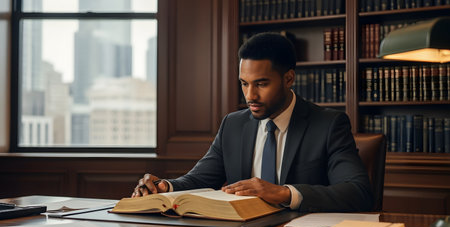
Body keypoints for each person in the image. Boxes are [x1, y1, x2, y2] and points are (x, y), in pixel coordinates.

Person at [132, 32, 373, 212]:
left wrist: (282, 193)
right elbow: (200, 179)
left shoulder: (329, 125)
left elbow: (358, 192)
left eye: (261, 84)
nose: (250, 96)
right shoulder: (233, 125)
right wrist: (166, 187)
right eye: (244, 83)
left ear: (289, 79)